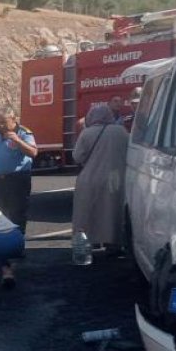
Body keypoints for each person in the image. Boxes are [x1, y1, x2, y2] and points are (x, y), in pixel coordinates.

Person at [72, 104, 130, 252]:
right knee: (112, 213)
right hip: (115, 179)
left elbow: (77, 157)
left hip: (90, 178)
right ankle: (114, 244)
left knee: (89, 213)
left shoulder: (87, 133)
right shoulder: (121, 131)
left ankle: (91, 242)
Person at [0, 106, 37, 234]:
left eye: (3, 122)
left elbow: (33, 152)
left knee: (17, 213)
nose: (1, 125)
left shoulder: (24, 133)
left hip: (17, 180)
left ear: (13, 119)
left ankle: (18, 243)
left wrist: (17, 140)